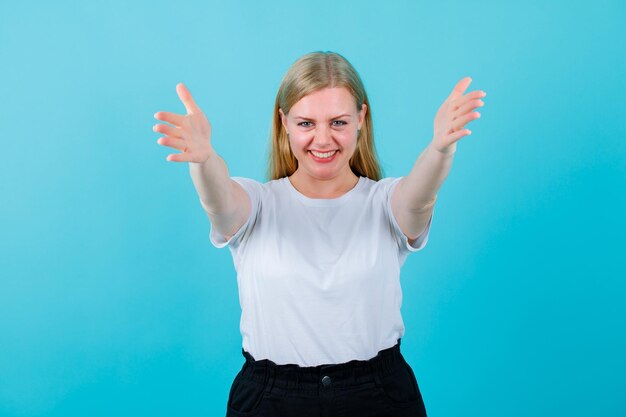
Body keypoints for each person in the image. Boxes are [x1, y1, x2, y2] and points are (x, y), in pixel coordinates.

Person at [153, 51, 486, 417]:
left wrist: (439, 150)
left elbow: (420, 198)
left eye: (338, 122)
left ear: (362, 118)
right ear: (284, 123)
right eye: (306, 123)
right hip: (271, 399)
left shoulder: (385, 202)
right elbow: (219, 202)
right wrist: (204, 161)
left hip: (378, 396)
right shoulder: (257, 203)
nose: (323, 139)